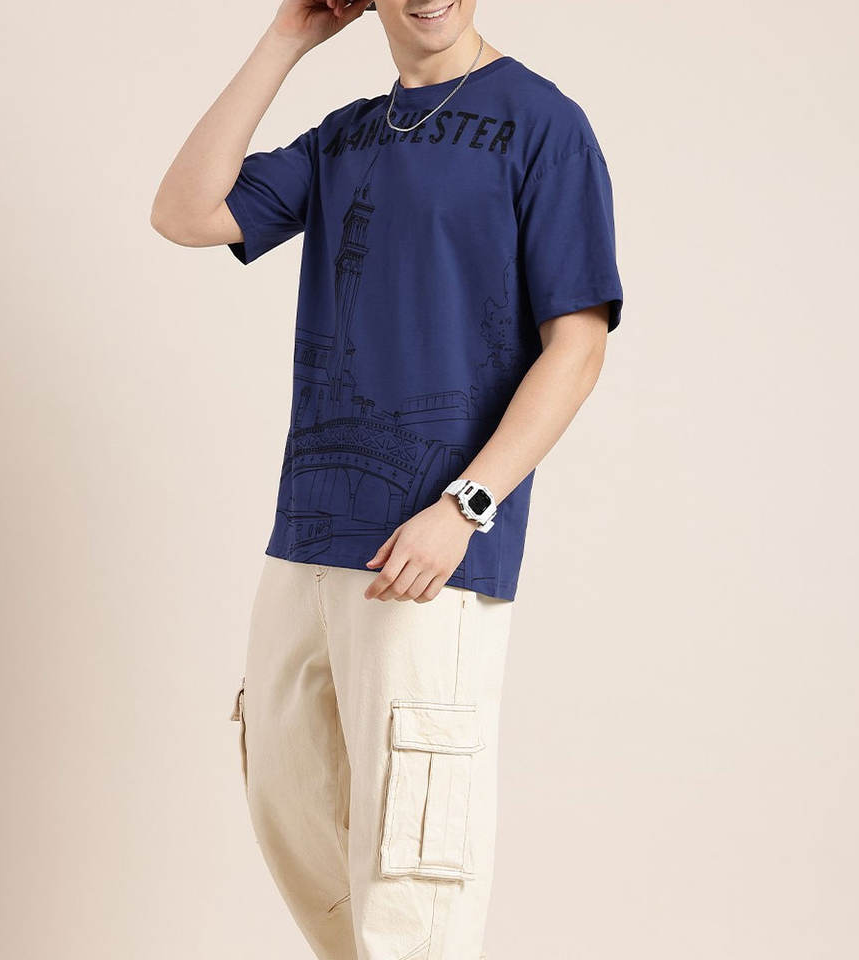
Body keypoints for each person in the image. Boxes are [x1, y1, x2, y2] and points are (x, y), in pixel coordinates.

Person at [150, 1, 624, 956]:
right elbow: (185, 213)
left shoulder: (543, 123)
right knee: (290, 803)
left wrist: (466, 507)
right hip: (311, 535)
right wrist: (287, 39)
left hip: (433, 550)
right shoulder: (347, 136)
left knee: (414, 865)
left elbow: (577, 346)